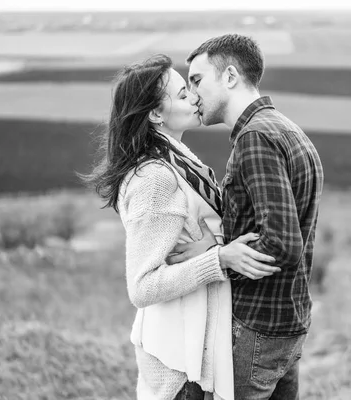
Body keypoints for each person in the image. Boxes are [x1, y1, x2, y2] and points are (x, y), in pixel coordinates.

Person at [81, 54, 279, 400]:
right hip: (177, 364)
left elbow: (198, 229)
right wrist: (219, 260)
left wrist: (213, 244)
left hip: (192, 349)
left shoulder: (179, 159)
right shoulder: (155, 177)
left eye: (190, 87)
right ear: (156, 114)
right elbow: (142, 287)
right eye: (181, 92)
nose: (193, 95)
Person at [183, 34, 324, 399]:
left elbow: (282, 243)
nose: (192, 94)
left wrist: (214, 258)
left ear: (230, 76)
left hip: (257, 325)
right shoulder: (287, 129)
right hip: (288, 319)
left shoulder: (255, 138)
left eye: (197, 80)